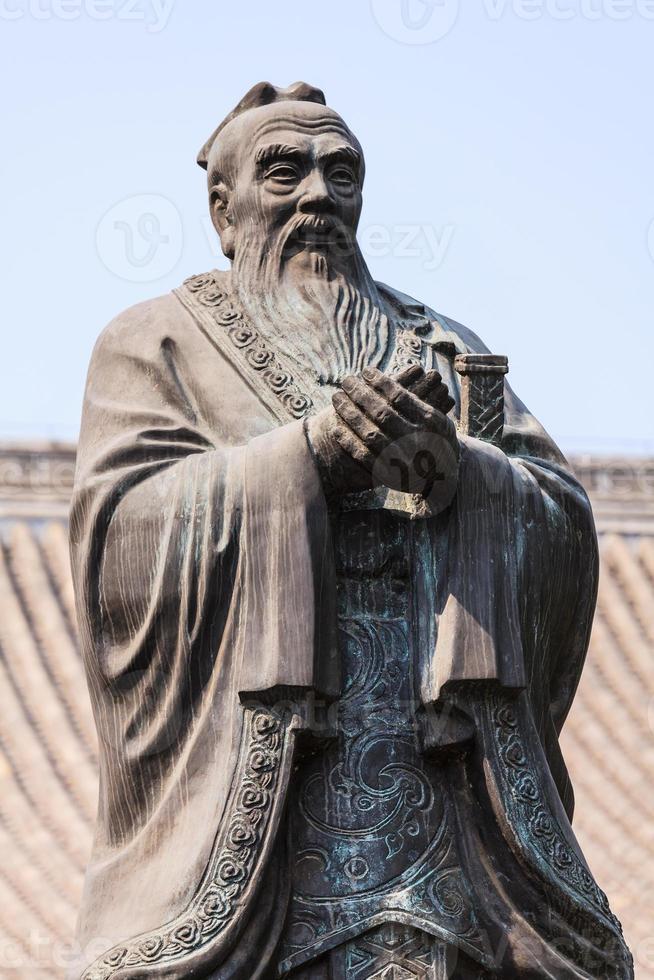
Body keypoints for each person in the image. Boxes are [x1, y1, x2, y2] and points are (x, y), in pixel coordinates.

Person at [70, 82, 632, 979]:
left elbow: (559, 518)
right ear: (224, 208)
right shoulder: (156, 345)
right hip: (257, 815)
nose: (318, 197)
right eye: (285, 171)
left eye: (343, 174)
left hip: (443, 827)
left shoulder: (441, 344)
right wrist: (306, 458)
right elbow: (117, 551)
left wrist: (466, 476)